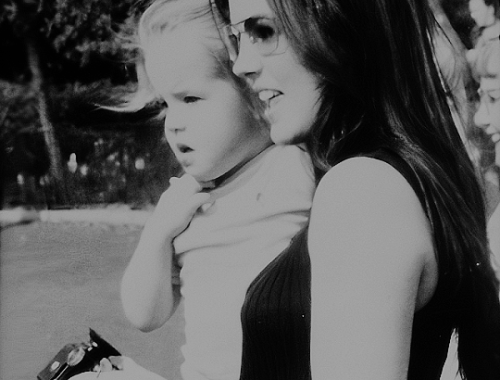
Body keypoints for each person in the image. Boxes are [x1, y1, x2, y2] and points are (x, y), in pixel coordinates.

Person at [210, 0, 500, 379]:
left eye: (263, 31)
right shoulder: (387, 183)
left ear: (343, 22)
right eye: (237, 37)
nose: (241, 64)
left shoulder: (362, 192)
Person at [72, 0, 315, 379]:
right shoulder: (185, 202)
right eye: (166, 104)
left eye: (191, 99)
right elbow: (144, 315)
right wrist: (158, 232)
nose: (174, 124)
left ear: (254, 91)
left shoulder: (293, 165)